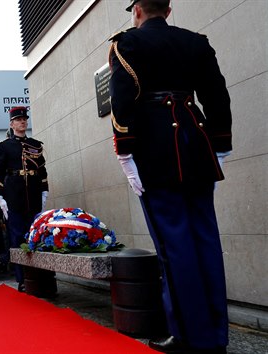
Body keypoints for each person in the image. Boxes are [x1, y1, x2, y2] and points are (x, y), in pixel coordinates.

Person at [108, 1, 232, 353]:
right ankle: (216, 335)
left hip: (155, 149)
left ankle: (190, 336)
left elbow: (122, 99)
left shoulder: (127, 43)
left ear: (137, 11)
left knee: (173, 245)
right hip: (196, 142)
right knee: (205, 238)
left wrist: (125, 151)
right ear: (168, 9)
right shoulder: (196, 42)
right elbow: (216, 94)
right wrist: (220, 142)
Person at [0, 106, 49, 292]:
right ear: (12, 124)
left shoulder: (36, 144)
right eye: (18, 120)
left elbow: (42, 172)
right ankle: (22, 278)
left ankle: (37, 275)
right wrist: (0, 196)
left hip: (33, 195)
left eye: (24, 119)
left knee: (35, 237)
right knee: (17, 238)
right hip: (14, 196)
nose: (22, 122)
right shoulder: (4, 146)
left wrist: (44, 192)